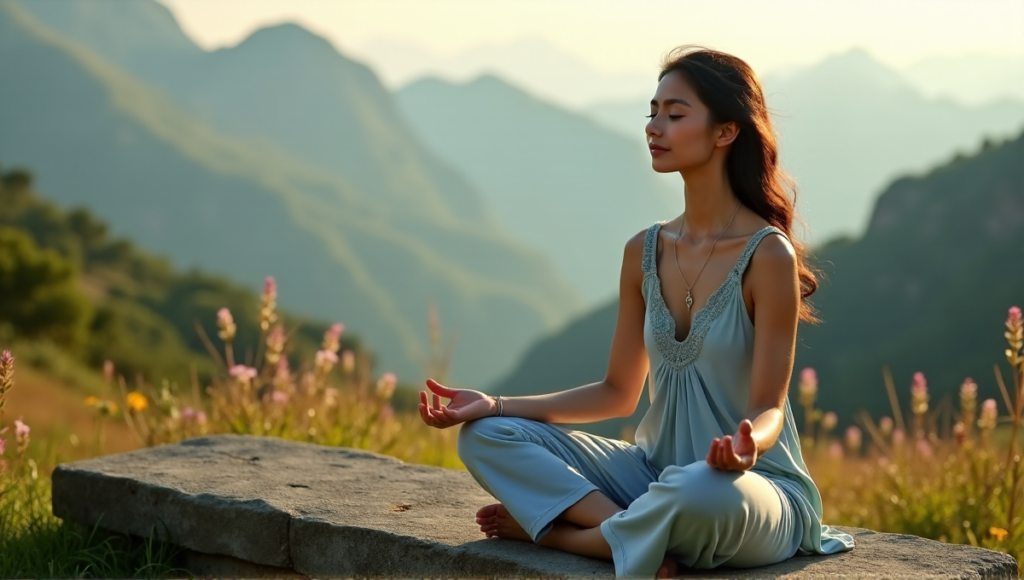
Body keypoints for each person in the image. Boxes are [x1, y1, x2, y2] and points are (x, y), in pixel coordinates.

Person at [417, 45, 856, 579]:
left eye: (675, 114)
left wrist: (746, 448)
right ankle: (633, 533)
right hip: (653, 475)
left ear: (725, 131)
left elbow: (768, 406)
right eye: (652, 112)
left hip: (750, 490)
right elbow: (616, 393)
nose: (655, 126)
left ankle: (570, 536)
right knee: (486, 435)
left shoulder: (767, 255)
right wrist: (496, 403)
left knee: (696, 489)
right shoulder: (643, 251)